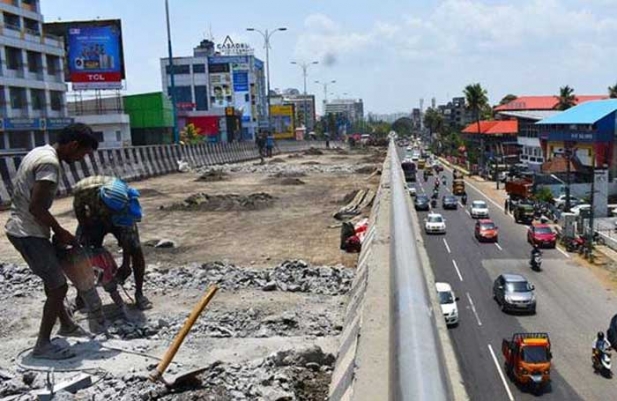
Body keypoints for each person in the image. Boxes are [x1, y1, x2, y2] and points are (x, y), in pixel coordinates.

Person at [5, 123, 98, 360]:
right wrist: (60, 230)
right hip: (28, 232)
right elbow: (36, 207)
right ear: (73, 145)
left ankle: (66, 324)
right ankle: (42, 346)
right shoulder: (50, 164)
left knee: (52, 278)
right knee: (58, 286)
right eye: (83, 153)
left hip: (25, 228)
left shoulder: (40, 151)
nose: (81, 159)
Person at [72, 175, 151, 310]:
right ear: (101, 200)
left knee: (136, 251)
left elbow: (127, 236)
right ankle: (81, 296)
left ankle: (139, 294)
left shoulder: (127, 206)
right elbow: (79, 210)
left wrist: (126, 264)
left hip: (119, 220)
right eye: (109, 210)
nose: (109, 214)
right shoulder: (84, 189)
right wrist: (86, 230)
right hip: (94, 217)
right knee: (81, 252)